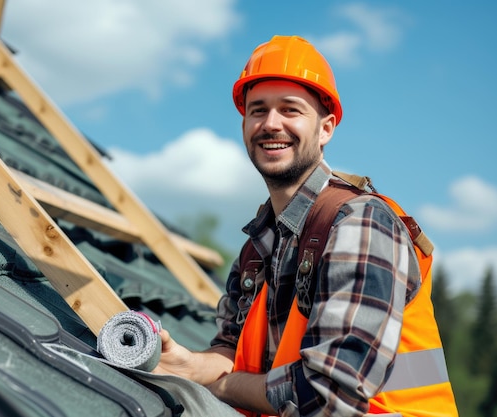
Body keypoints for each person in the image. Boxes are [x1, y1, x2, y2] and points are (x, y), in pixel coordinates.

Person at [153, 35, 458, 417]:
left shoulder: (360, 225)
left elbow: (326, 395)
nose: (271, 124)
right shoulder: (258, 247)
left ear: (326, 128)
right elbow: (232, 350)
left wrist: (222, 386)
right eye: (258, 110)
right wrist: (191, 366)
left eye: (290, 110)